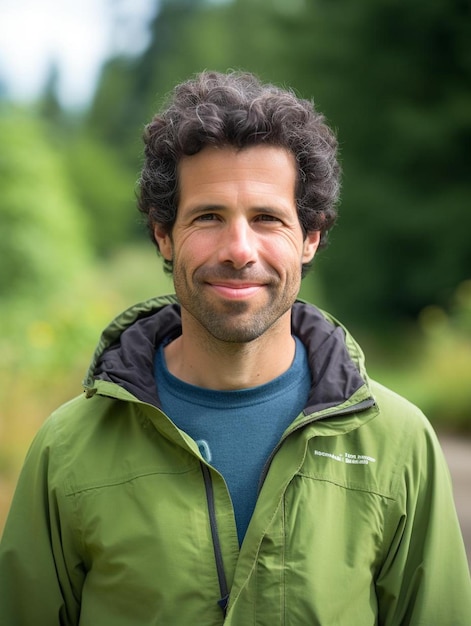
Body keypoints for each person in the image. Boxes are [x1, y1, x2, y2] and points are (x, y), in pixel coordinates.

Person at [0, 71, 469, 626]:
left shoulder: (400, 444)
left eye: (268, 218)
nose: (239, 250)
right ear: (163, 235)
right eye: (208, 217)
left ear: (311, 236)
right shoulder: (66, 450)